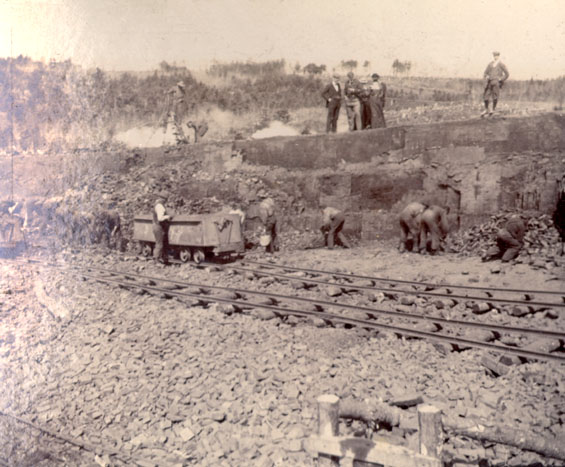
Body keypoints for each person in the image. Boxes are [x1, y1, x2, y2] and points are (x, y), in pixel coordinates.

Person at [482, 51, 509, 117]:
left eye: (496, 56)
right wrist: (486, 76)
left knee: (495, 96)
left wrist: (501, 79)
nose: (495, 57)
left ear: (498, 56)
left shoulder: (501, 64)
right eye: (494, 56)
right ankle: (486, 109)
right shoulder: (490, 64)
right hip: (489, 82)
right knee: (486, 96)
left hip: (496, 83)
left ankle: (493, 109)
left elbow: (507, 74)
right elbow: (485, 73)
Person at [152, 193, 171, 264]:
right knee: (159, 244)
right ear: (163, 199)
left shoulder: (157, 204)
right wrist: (168, 217)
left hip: (157, 226)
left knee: (161, 243)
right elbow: (160, 218)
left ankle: (162, 258)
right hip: (158, 226)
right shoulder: (159, 206)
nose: (166, 201)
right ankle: (156, 259)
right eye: (166, 199)